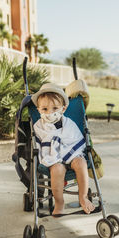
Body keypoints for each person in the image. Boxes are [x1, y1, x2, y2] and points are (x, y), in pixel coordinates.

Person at [31, 83, 95, 216]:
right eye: (44, 109)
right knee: (57, 170)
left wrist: (71, 153)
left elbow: (76, 139)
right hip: (52, 156)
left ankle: (83, 197)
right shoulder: (38, 126)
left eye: (55, 108)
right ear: (38, 109)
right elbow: (38, 143)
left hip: (71, 153)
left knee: (81, 163)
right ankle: (59, 202)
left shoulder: (68, 123)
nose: (50, 113)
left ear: (63, 109)